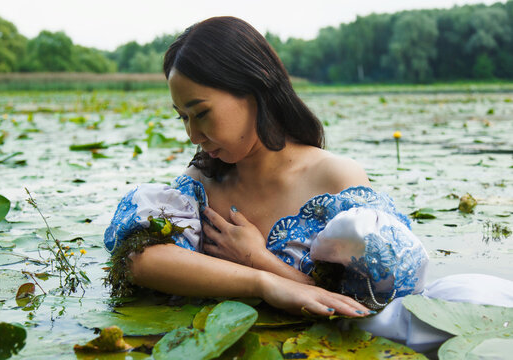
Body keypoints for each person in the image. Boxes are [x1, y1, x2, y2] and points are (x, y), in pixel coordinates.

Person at [104, 16, 512, 351]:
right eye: (183, 118)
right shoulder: (199, 184)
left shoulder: (334, 178)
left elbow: (363, 306)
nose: (192, 134)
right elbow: (138, 260)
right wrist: (262, 281)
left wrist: (258, 258)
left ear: (254, 89)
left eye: (201, 113)